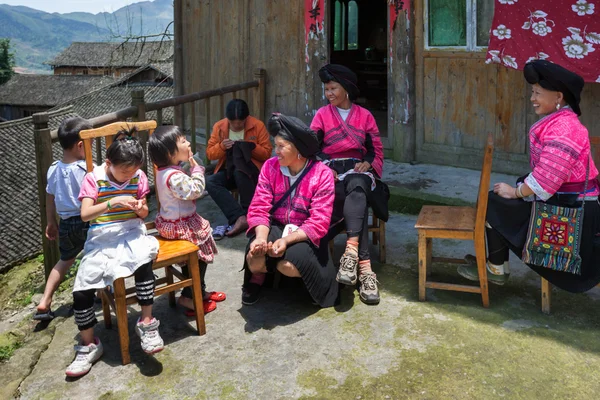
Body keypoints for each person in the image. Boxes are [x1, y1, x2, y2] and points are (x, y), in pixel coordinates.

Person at [457, 60, 600, 293]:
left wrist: (516, 192)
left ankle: (496, 269)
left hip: (574, 215)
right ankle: (496, 266)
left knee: (497, 204)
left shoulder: (565, 129)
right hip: (563, 202)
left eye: (537, 93)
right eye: (532, 92)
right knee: (500, 201)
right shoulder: (562, 122)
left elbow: (547, 179)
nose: (532, 98)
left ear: (558, 97)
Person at [65, 131, 162, 377]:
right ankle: (88, 345)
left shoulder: (138, 176)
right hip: (101, 236)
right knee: (82, 287)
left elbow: (142, 213)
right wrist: (113, 201)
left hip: (130, 231)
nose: (130, 176)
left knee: (143, 262)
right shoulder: (93, 178)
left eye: (133, 172)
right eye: (124, 172)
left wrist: (141, 209)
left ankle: (147, 323)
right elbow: (86, 215)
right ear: (108, 164)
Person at [310, 63, 388, 305]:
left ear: (346, 89)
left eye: (333, 88)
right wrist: (326, 167)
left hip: (357, 168)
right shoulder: (322, 115)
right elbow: (312, 148)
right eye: (326, 89)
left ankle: (351, 253)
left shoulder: (365, 116)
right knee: (358, 202)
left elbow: (375, 149)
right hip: (331, 169)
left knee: (358, 183)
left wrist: (368, 163)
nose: (329, 93)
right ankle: (364, 269)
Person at [242, 113, 338, 307]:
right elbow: (259, 207)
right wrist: (261, 238)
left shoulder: (322, 174)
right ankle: (261, 275)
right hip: (276, 224)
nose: (275, 151)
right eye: (275, 145)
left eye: (280, 146)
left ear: (299, 149)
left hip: (304, 232)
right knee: (254, 258)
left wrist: (286, 241)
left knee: (286, 265)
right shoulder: (270, 167)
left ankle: (292, 274)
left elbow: (319, 222)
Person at [148, 125, 224, 315]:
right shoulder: (174, 177)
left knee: (201, 248)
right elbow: (195, 190)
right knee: (202, 245)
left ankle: (199, 289)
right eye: (183, 141)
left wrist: (187, 166)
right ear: (170, 153)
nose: (188, 142)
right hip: (181, 225)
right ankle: (189, 296)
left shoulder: (165, 170)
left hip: (171, 223)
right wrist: (198, 170)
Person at [34, 117, 92, 321]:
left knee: (64, 261)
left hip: (66, 223)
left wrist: (51, 222)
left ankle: (45, 300)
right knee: (99, 253)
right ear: (79, 145)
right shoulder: (86, 169)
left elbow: (49, 198)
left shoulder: (53, 169)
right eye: (89, 144)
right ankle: (104, 293)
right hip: (87, 221)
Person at [206, 99, 272, 239]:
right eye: (233, 123)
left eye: (240, 124)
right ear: (227, 120)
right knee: (211, 181)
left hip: (251, 172)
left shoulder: (257, 126)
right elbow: (210, 153)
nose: (236, 126)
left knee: (240, 171)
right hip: (228, 170)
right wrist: (222, 146)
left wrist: (251, 147)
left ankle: (249, 213)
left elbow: (266, 153)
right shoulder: (219, 127)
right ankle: (239, 217)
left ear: (246, 119)